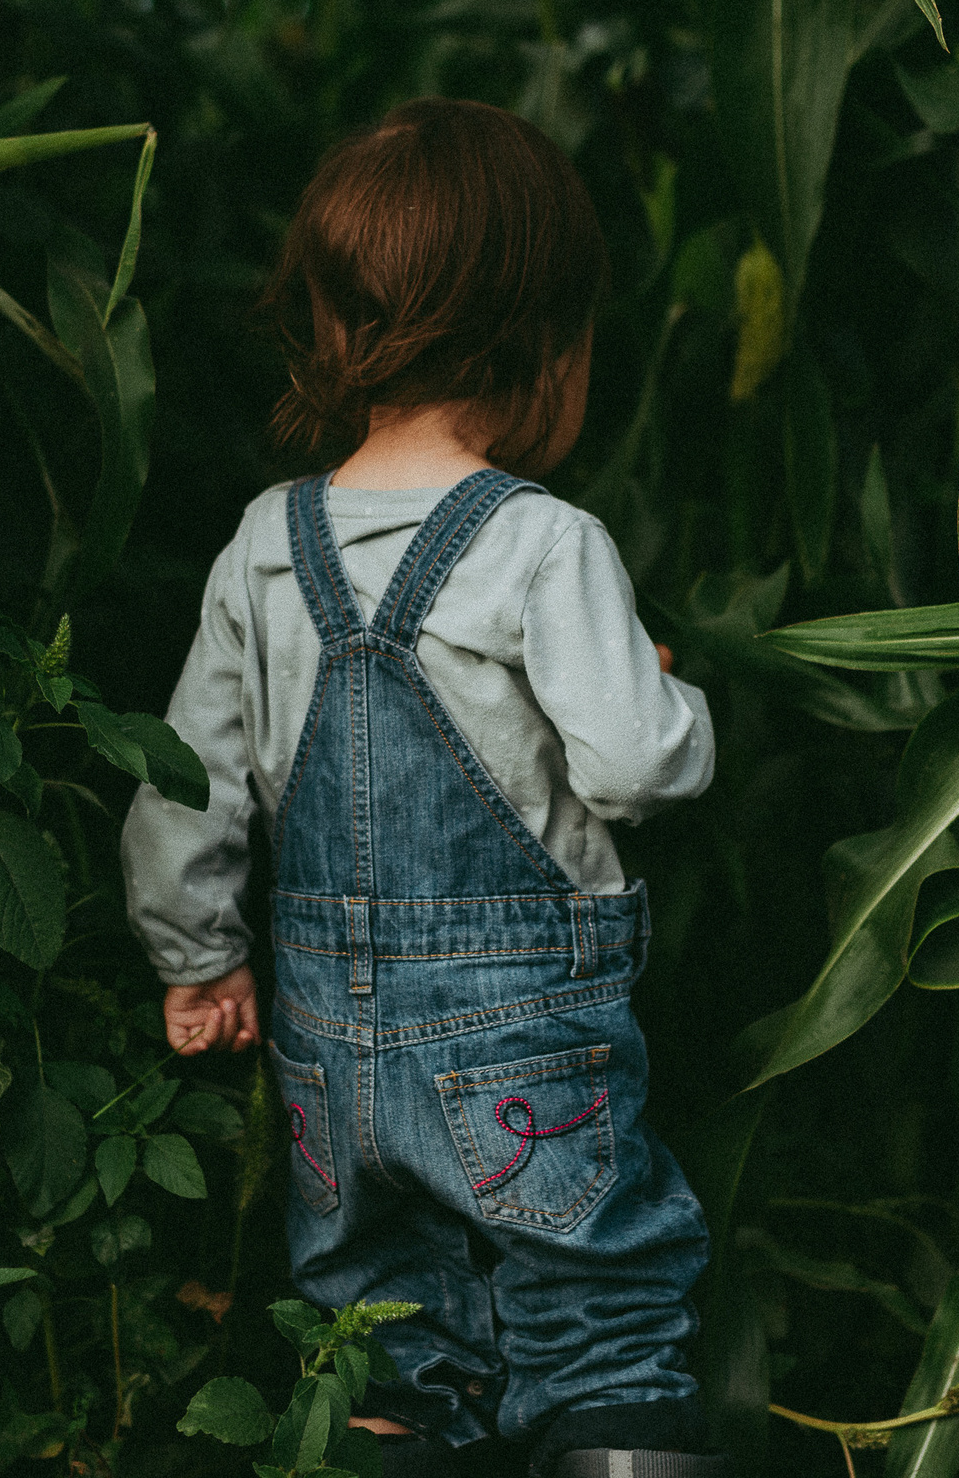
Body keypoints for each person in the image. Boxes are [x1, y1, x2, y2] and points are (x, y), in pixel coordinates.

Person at [121, 98, 721, 1478]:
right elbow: (632, 760)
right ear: (546, 344)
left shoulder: (268, 547)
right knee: (600, 1324)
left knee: (382, 1345)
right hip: (523, 1040)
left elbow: (184, 779)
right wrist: (675, 698)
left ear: (337, 329)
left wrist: (198, 955)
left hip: (330, 1052)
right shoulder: (542, 545)